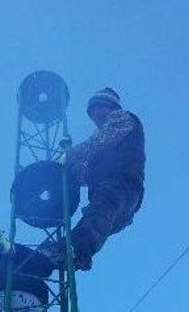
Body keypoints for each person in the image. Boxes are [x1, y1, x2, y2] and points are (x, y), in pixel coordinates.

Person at [50, 87, 145, 271]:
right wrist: (69, 174)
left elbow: (100, 141)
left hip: (120, 186)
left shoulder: (123, 118)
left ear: (111, 107)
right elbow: (89, 174)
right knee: (97, 219)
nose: (95, 114)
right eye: (92, 111)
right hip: (121, 197)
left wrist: (69, 156)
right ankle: (72, 255)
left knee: (96, 217)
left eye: (100, 107)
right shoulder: (104, 146)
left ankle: (71, 252)